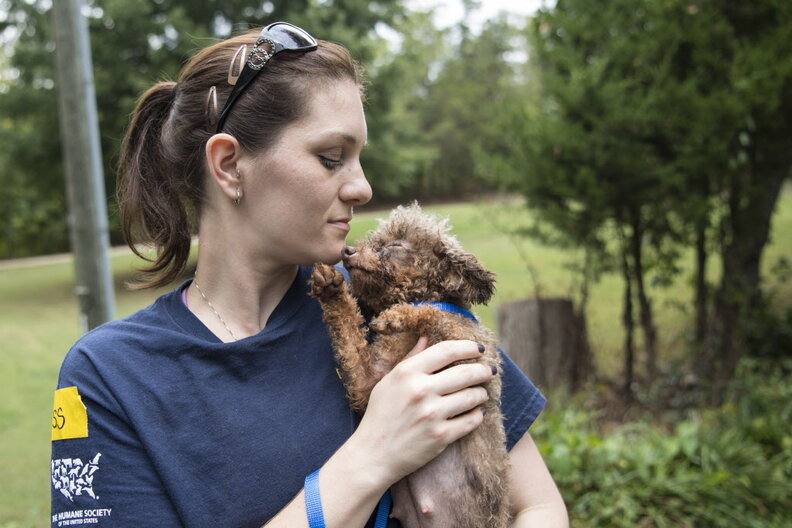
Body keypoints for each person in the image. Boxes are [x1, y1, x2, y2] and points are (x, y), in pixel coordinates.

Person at [50, 22, 568, 528]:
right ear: (228, 164)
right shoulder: (111, 376)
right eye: (331, 158)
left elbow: (539, 507)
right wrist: (372, 456)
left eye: (358, 158)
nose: (363, 188)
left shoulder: (387, 301)